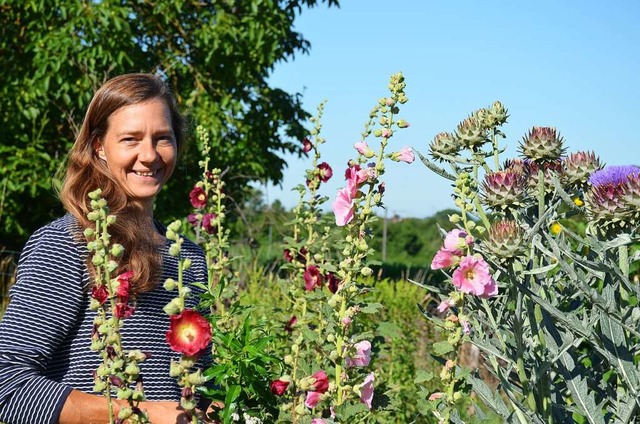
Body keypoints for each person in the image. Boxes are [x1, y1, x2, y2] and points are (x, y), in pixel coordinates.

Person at [0, 73, 210, 424]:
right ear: (99, 147)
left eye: (163, 138)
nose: (149, 155)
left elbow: (200, 385)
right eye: (130, 139)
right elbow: (7, 385)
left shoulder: (188, 259)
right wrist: (134, 412)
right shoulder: (66, 244)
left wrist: (211, 408)